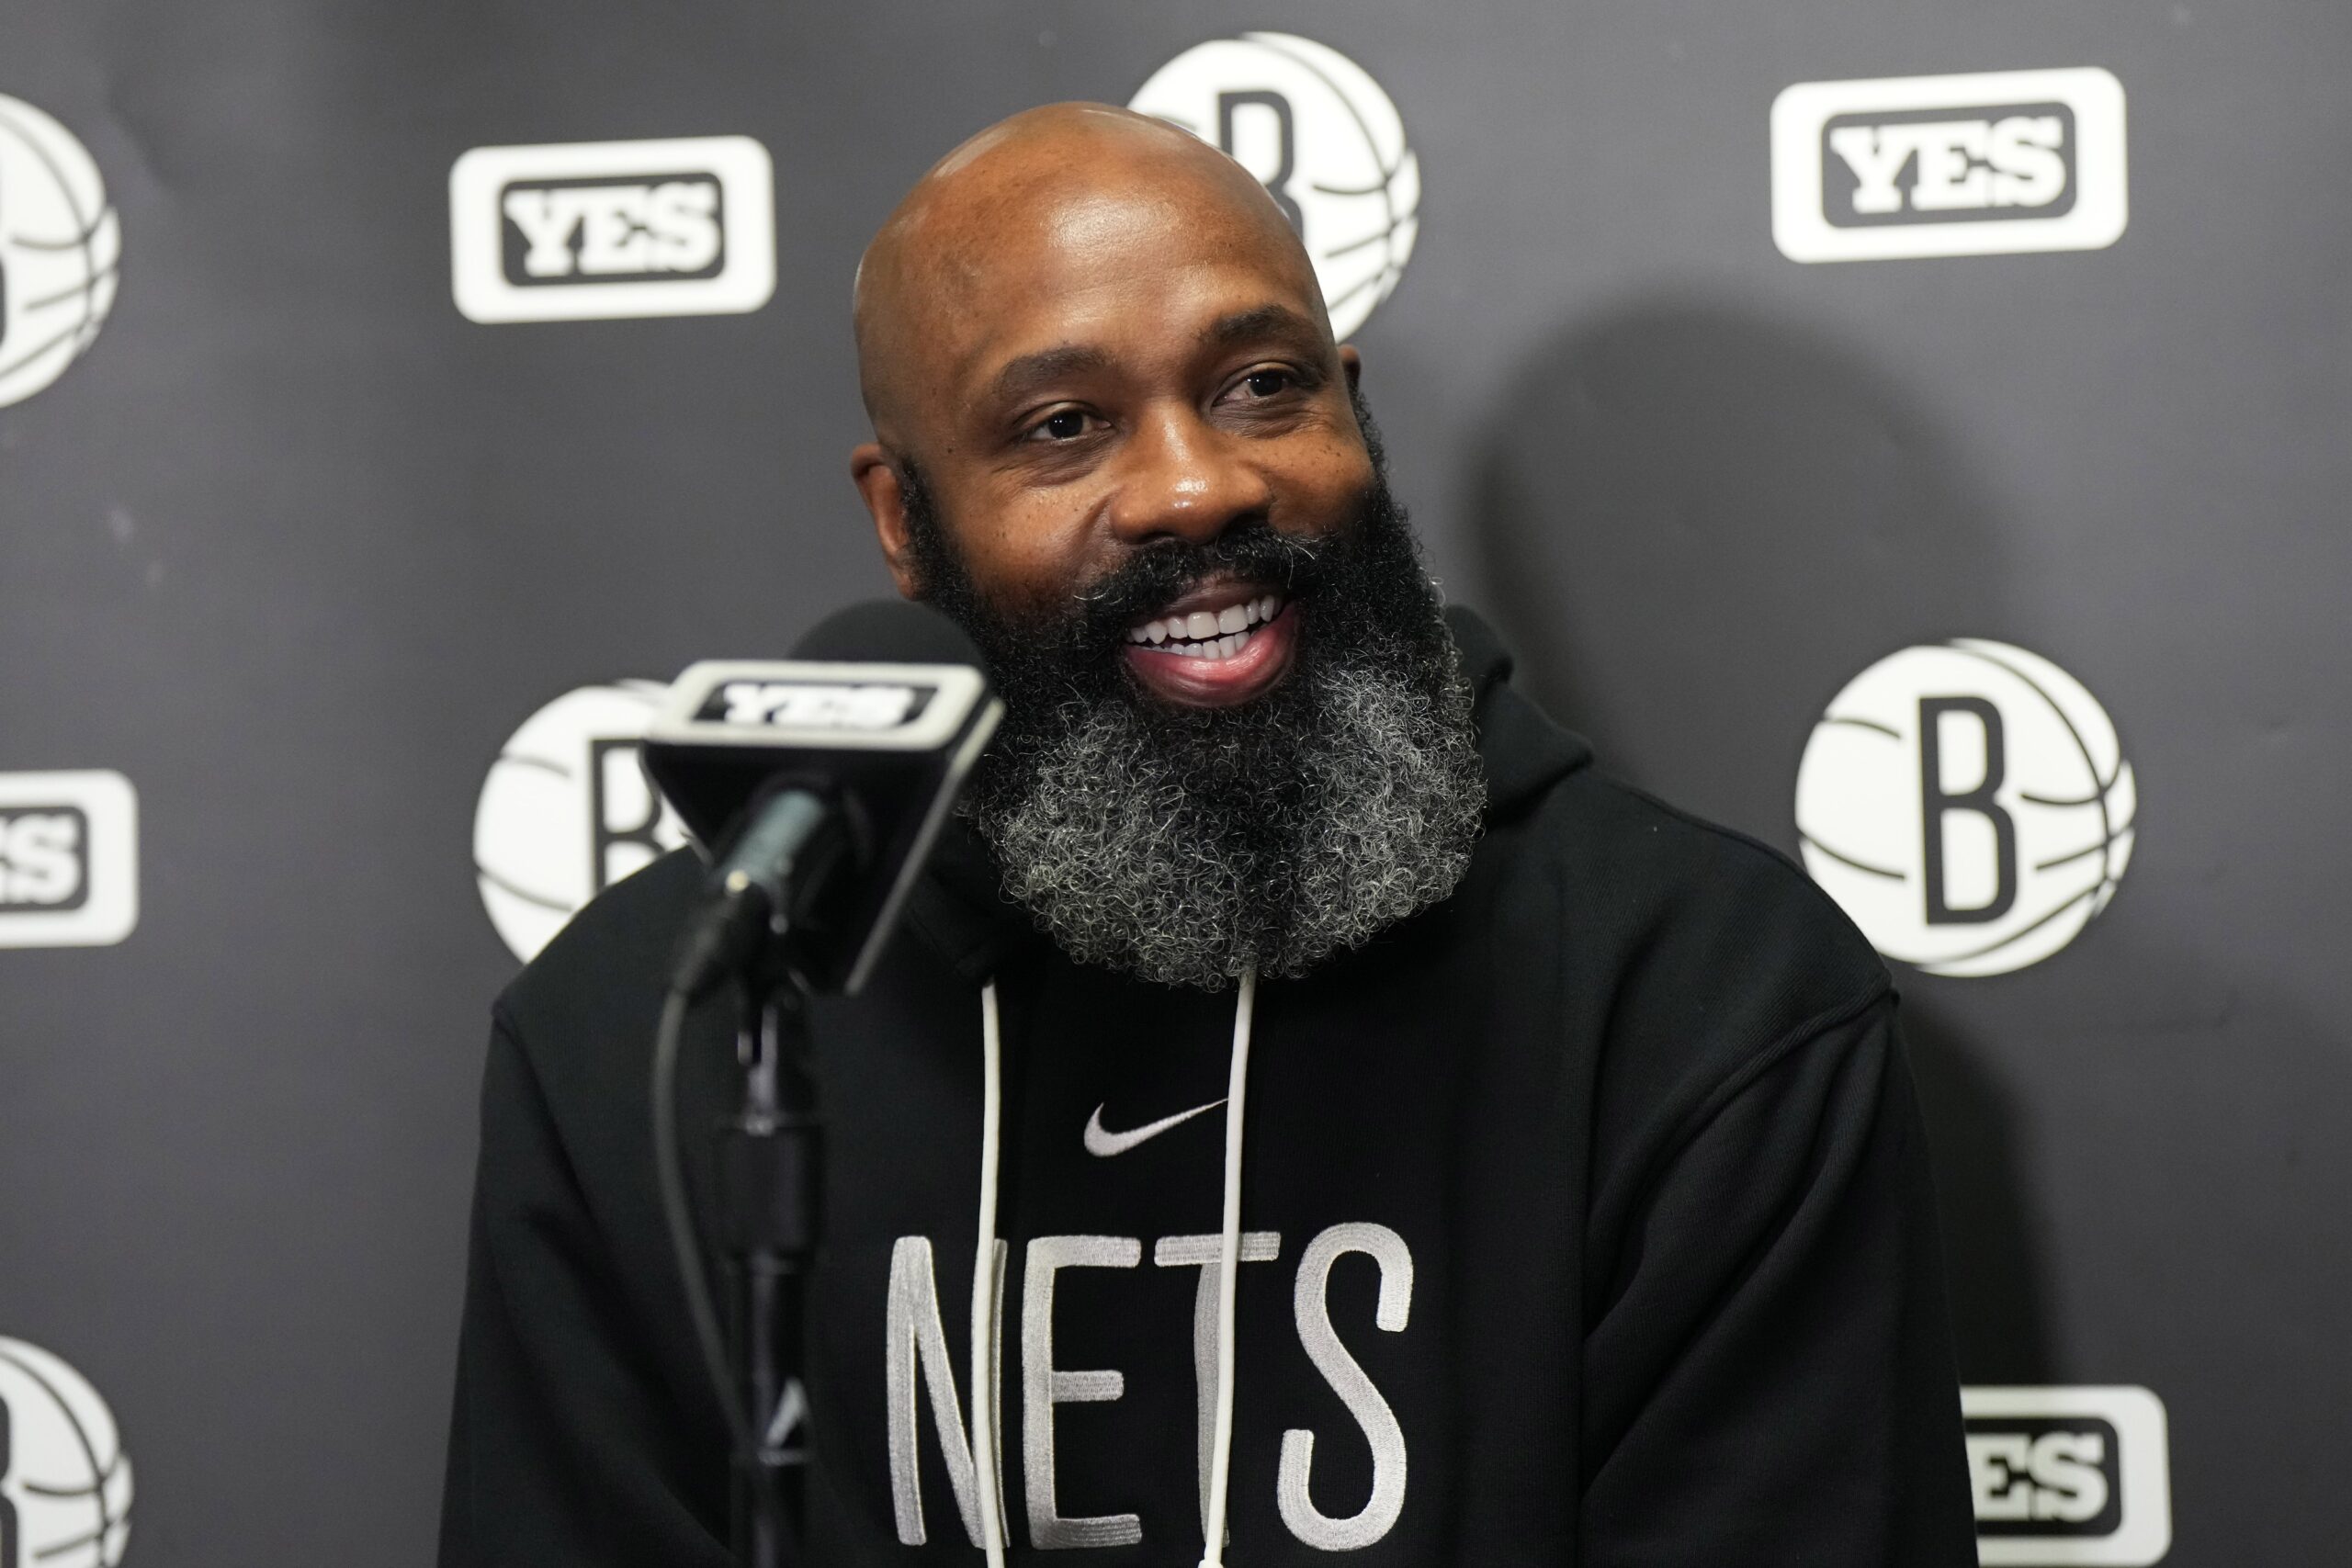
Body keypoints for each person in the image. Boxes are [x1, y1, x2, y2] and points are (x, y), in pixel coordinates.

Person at [437, 104, 1977, 1566]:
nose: (1195, 486)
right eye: (1062, 425)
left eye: (1261, 385)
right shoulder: (654, 1032)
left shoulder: (1704, 1001)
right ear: (902, 520)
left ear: (1353, 408)